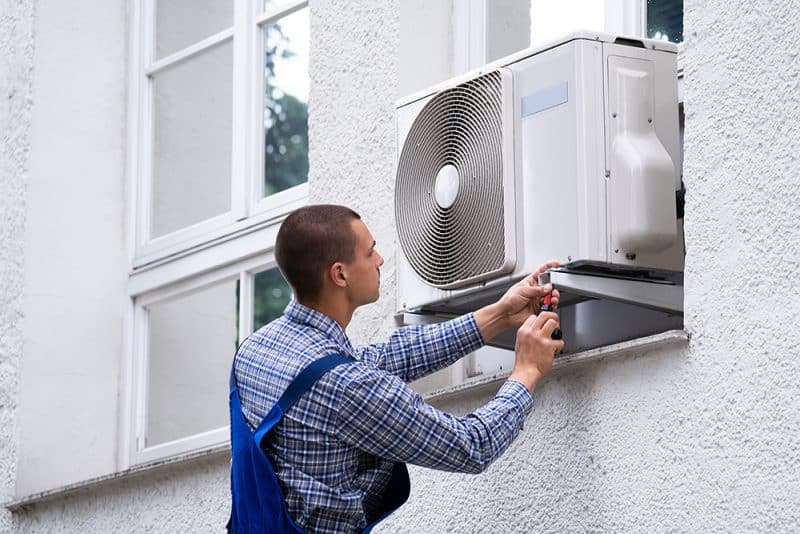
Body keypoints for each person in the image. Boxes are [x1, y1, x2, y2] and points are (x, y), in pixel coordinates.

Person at [230, 204, 564, 533]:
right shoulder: (348, 388)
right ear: (340, 274)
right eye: (370, 252)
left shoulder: (256, 349)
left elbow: (388, 357)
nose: (380, 260)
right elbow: (472, 446)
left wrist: (500, 315)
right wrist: (527, 371)